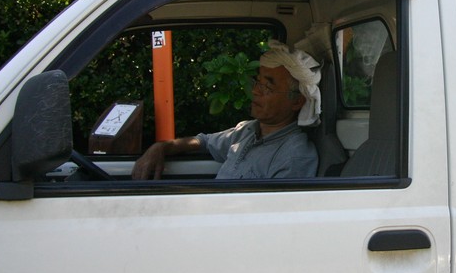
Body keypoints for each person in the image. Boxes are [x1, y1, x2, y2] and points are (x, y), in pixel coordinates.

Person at [132, 40, 321, 180]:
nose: (255, 90)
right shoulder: (247, 131)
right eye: (257, 82)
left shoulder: (294, 156)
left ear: (297, 101)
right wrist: (161, 147)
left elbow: (275, 223)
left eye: (267, 86)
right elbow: (204, 141)